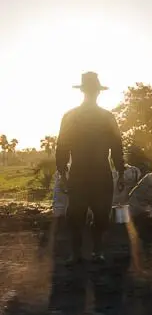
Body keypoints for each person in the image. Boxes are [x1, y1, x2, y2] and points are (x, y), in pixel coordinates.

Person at [56, 72, 126, 264]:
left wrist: (120, 172)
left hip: (95, 171)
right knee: (77, 214)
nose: (93, 93)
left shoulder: (104, 117)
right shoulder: (73, 116)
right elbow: (62, 145)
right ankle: (82, 253)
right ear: (89, 92)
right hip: (84, 171)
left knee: (100, 214)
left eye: (93, 90)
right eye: (91, 90)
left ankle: (94, 251)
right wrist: (62, 172)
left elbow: (117, 146)